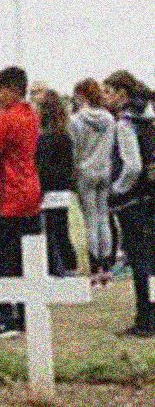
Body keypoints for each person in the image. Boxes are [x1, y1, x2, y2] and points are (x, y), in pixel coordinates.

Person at [0, 66, 42, 338]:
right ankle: (26, 313)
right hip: (31, 191)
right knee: (24, 259)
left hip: (9, 196)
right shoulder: (31, 114)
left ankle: (3, 318)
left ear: (11, 90)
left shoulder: (7, 117)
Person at [103, 71, 155, 337]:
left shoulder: (124, 122)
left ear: (122, 93)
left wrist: (115, 189)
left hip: (132, 200)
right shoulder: (147, 115)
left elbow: (131, 165)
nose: (105, 97)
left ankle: (145, 320)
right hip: (150, 193)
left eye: (109, 91)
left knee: (139, 260)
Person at [69, 79, 115, 285]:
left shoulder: (76, 120)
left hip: (84, 171)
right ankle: (107, 265)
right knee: (103, 216)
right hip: (104, 169)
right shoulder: (109, 118)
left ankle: (95, 265)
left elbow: (74, 148)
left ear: (82, 96)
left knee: (89, 219)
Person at [37, 90, 77, 276]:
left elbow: (42, 166)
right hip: (63, 188)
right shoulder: (65, 135)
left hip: (48, 189)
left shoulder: (43, 138)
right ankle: (69, 264)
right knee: (62, 228)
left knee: (50, 231)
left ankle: (57, 268)